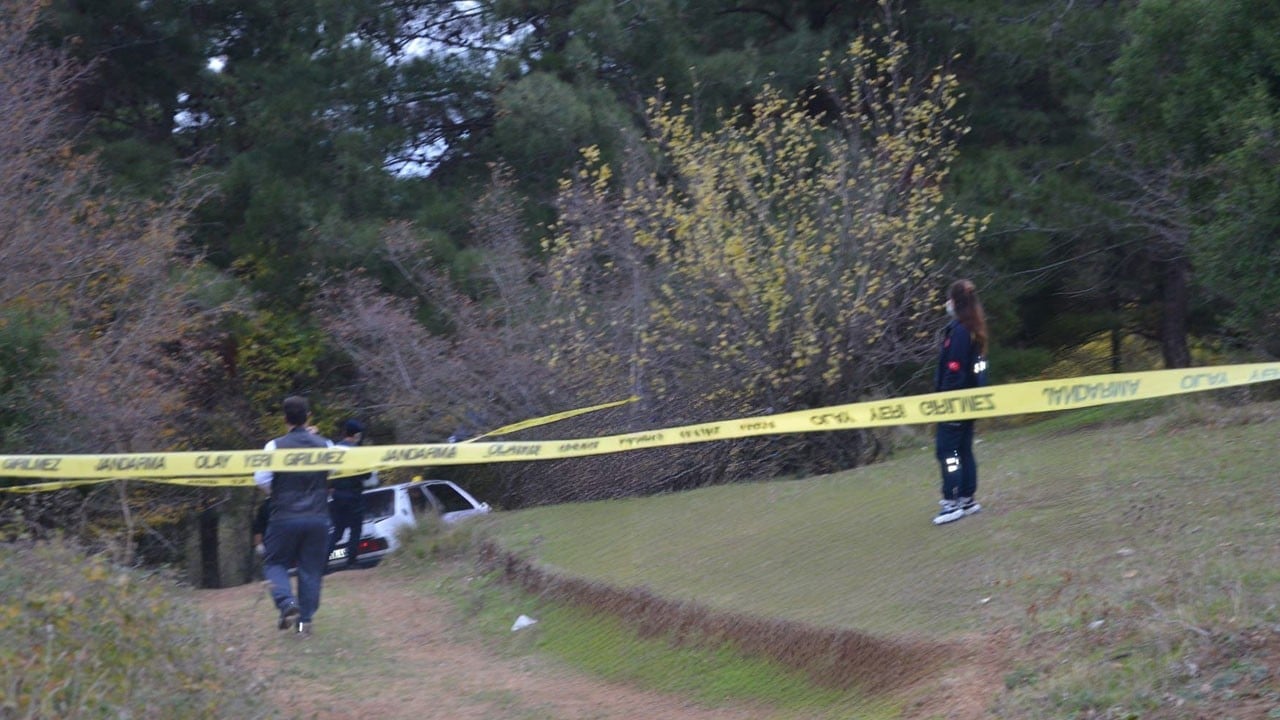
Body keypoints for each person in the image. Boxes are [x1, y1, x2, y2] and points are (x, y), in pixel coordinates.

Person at [254, 396, 333, 635]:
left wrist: (277, 492)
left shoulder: (273, 446)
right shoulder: (325, 444)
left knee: (275, 563)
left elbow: (261, 479)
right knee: (310, 570)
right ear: (308, 416)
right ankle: (303, 623)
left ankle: (287, 602)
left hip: (284, 516)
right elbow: (332, 471)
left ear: (284, 419)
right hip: (318, 517)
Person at [932, 279, 989, 526]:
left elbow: (954, 369)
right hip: (969, 402)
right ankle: (967, 497)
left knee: (948, 451)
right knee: (963, 449)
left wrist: (947, 401)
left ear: (955, 302)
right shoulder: (975, 330)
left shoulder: (959, 332)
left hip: (955, 403)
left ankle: (952, 501)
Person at [326, 419, 379, 569]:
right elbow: (367, 475)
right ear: (357, 435)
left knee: (337, 530)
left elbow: (326, 471)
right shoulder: (358, 452)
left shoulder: (334, 450)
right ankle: (351, 562)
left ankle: (323, 563)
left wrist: (330, 487)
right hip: (354, 494)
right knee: (355, 529)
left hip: (337, 495)